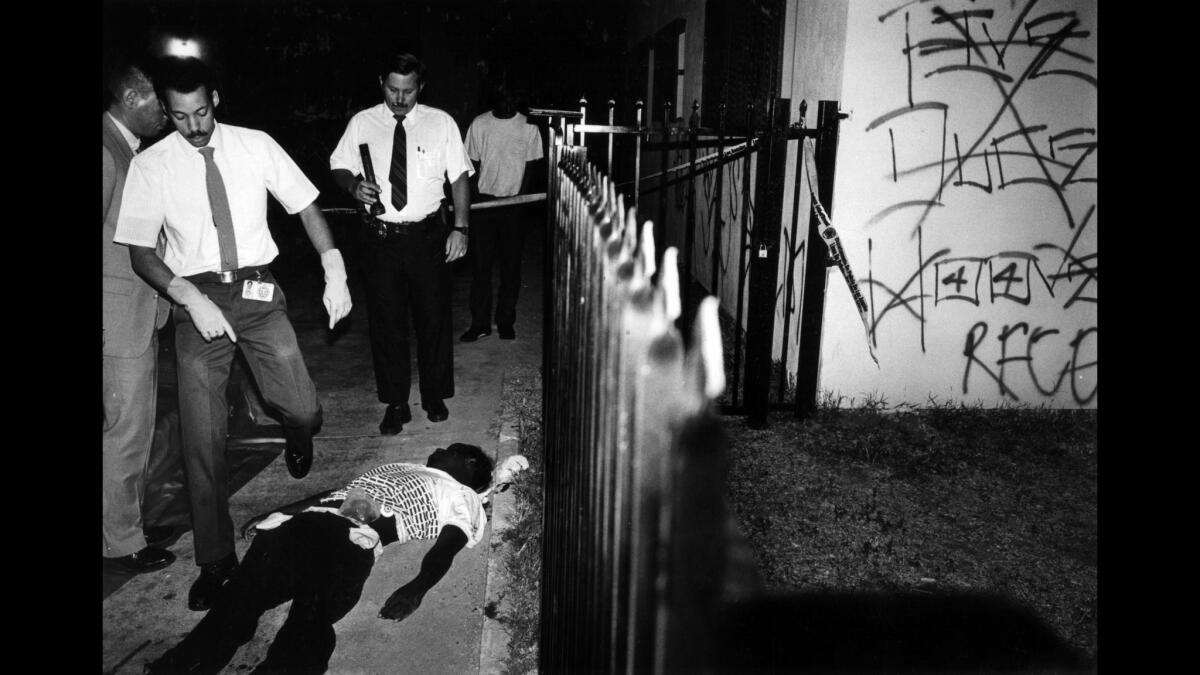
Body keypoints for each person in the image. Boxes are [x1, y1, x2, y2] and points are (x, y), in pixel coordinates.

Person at [113, 56, 353, 612]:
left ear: (215, 98)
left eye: (200, 112)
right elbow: (141, 252)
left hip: (257, 292)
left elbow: (307, 205)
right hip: (195, 296)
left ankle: (297, 431)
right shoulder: (152, 165)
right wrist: (187, 297)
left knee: (303, 406)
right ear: (167, 114)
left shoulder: (255, 144)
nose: (193, 127)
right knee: (202, 433)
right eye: (178, 117)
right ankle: (216, 560)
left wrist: (333, 266)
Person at [143, 444, 527, 675]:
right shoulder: (404, 468)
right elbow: (336, 493)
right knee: (240, 596)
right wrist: (283, 511)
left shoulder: (458, 492)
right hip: (303, 528)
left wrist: (417, 587)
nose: (440, 450)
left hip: (350, 542)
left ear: (465, 465)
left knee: (312, 614)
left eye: (450, 450)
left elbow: (451, 542)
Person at [329, 52, 472, 436]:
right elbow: (339, 165)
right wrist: (352, 185)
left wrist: (460, 227)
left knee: (433, 320)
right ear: (382, 83)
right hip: (380, 240)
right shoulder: (362, 122)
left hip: (428, 236)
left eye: (408, 91)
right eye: (393, 89)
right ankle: (395, 403)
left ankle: (433, 395)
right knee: (387, 324)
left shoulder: (440, 122)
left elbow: (458, 177)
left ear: (419, 88)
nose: (400, 98)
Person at [103, 56, 176, 574]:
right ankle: (120, 542)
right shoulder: (106, 153)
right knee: (126, 430)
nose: (167, 116)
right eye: (158, 105)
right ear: (131, 98)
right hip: (115, 320)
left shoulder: (126, 149)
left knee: (135, 427)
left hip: (134, 314)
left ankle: (125, 521)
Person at [460, 80, 544, 342]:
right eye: (502, 98)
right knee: (481, 269)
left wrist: (521, 198)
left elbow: (532, 166)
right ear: (493, 98)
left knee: (511, 268)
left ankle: (506, 322)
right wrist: (474, 200)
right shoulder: (480, 124)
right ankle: (480, 324)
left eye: (512, 99)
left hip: (514, 207)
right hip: (484, 205)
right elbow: (469, 165)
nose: (508, 104)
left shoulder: (529, 126)